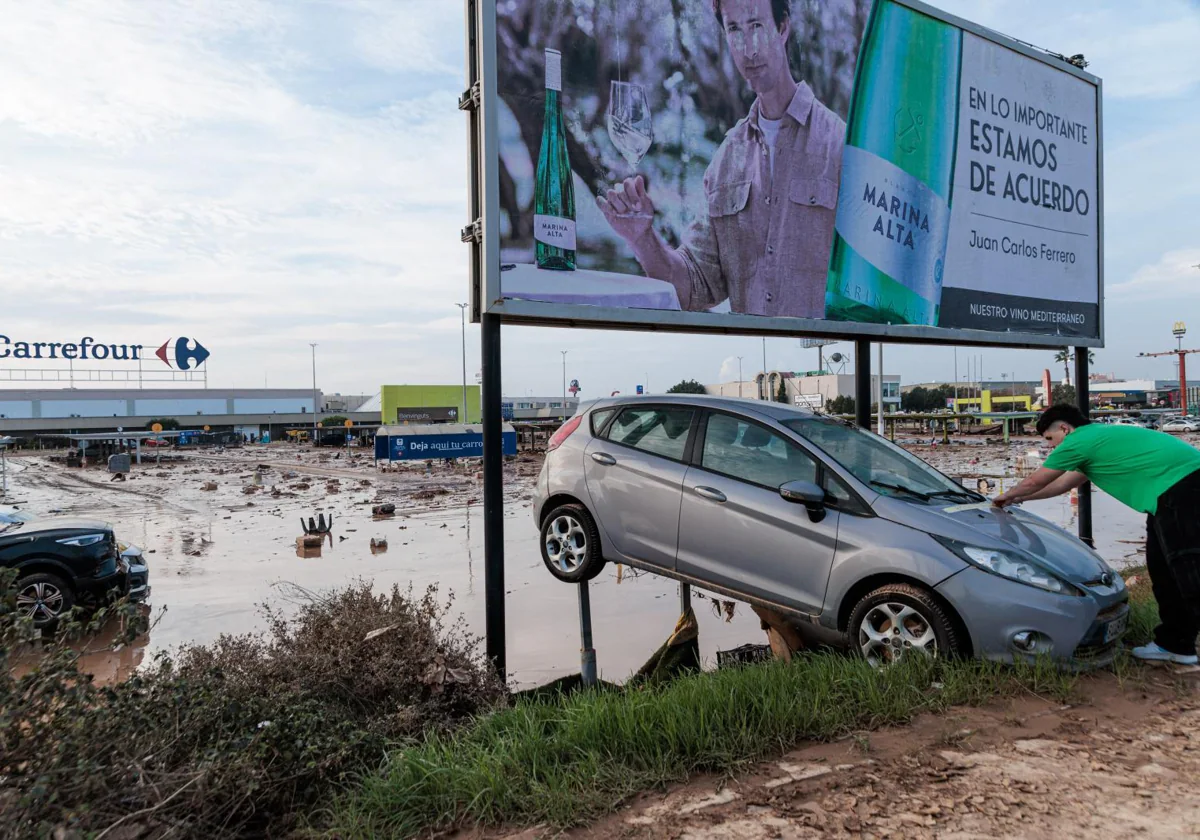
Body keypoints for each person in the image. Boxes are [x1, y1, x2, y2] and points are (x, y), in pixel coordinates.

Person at [597, 0, 844, 318]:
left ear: (783, 28)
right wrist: (642, 239)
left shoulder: (839, 144)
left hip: (828, 359)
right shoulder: (726, 162)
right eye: (735, 29)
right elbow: (689, 288)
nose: (748, 48)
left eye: (756, 26)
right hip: (755, 363)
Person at [993, 404, 1200, 664]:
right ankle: (1176, 645)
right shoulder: (1096, 441)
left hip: (1181, 490)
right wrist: (1016, 500)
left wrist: (1007, 494)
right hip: (1166, 497)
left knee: (1190, 572)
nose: (1050, 447)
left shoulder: (1079, 440)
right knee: (1163, 574)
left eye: (1050, 439)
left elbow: (1037, 480)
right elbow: (1060, 485)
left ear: (1064, 429)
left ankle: (1178, 643)